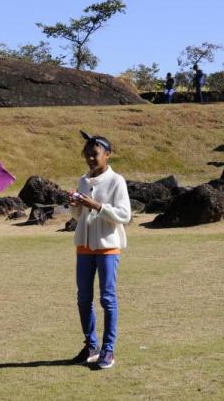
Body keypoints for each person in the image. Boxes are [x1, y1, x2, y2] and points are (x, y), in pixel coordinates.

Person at [69, 131, 132, 370]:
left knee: (107, 298)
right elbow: (77, 216)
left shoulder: (117, 181)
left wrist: (96, 205)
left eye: (94, 154)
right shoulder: (83, 180)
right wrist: (75, 205)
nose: (90, 159)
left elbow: (125, 215)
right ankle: (91, 345)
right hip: (84, 246)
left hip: (107, 247)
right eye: (87, 155)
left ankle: (108, 350)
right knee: (83, 298)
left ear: (107, 154)